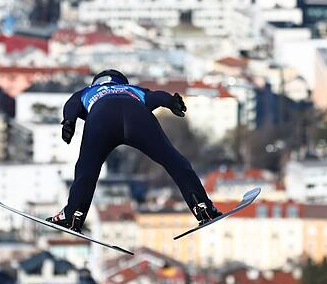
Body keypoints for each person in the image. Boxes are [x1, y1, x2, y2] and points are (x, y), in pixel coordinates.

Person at [46, 69, 222, 232]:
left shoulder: (88, 91)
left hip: (102, 119)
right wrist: (171, 102)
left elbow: (72, 104)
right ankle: (202, 208)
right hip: (137, 117)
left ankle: (73, 216)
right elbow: (156, 96)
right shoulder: (133, 90)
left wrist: (69, 121)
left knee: (86, 169)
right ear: (122, 82)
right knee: (175, 161)